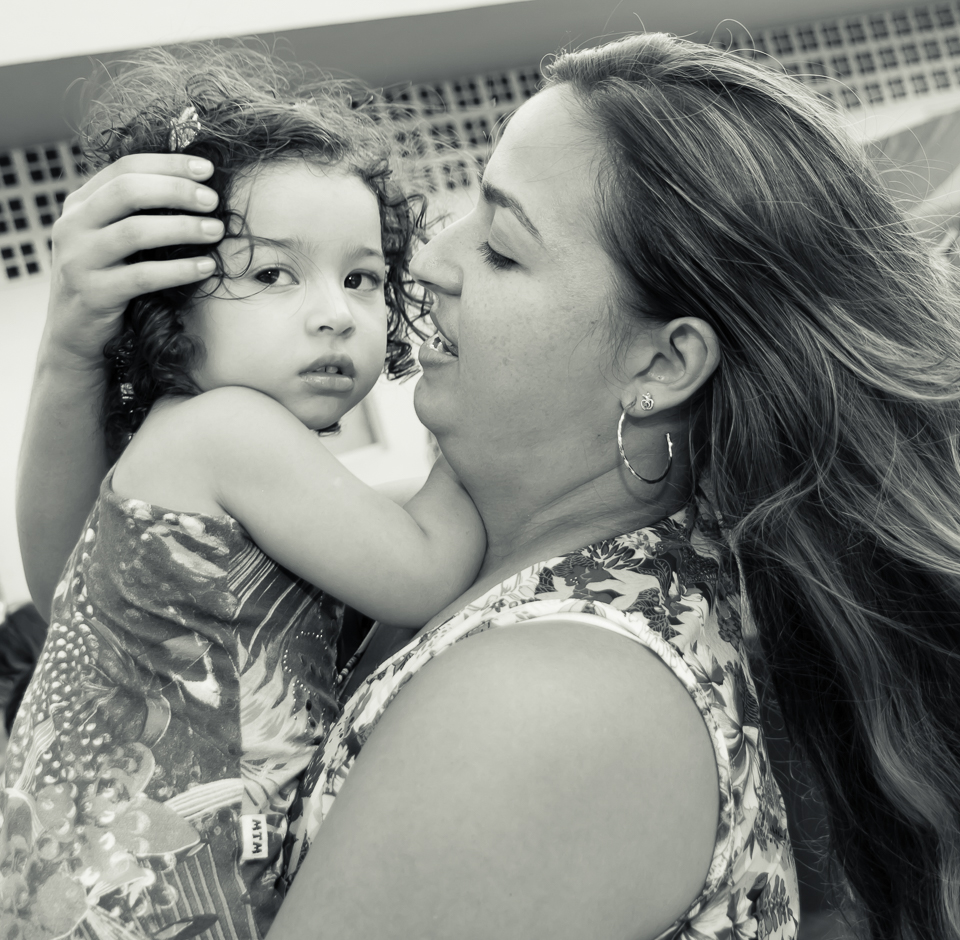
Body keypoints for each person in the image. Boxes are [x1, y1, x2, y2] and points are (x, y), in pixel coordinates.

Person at [15, 30, 960, 940]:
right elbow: (110, 598)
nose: (423, 262)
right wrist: (73, 348)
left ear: (664, 365)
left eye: (502, 247)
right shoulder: (538, 578)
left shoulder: (550, 706)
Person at [1, 47, 484, 939]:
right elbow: (428, 573)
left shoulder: (182, 446)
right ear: (170, 309)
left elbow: (59, 576)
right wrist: (487, 403)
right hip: (142, 904)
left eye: (362, 276)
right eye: (272, 274)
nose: (336, 311)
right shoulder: (227, 429)